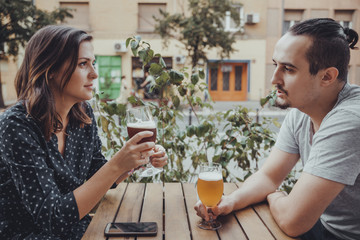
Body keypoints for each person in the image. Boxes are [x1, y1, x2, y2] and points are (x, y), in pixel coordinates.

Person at [195, 18, 360, 240]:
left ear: (327, 77)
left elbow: (293, 221)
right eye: (276, 65)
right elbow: (268, 176)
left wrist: (275, 195)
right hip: (323, 227)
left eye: (288, 69)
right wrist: (229, 202)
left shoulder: (350, 121)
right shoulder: (301, 111)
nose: (274, 79)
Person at [0, 25, 168, 239]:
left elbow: (96, 173)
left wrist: (135, 160)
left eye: (93, 63)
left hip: (78, 231)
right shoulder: (17, 125)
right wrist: (117, 163)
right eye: (83, 64)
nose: (94, 74)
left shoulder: (81, 114)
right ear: (50, 70)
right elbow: (52, 217)